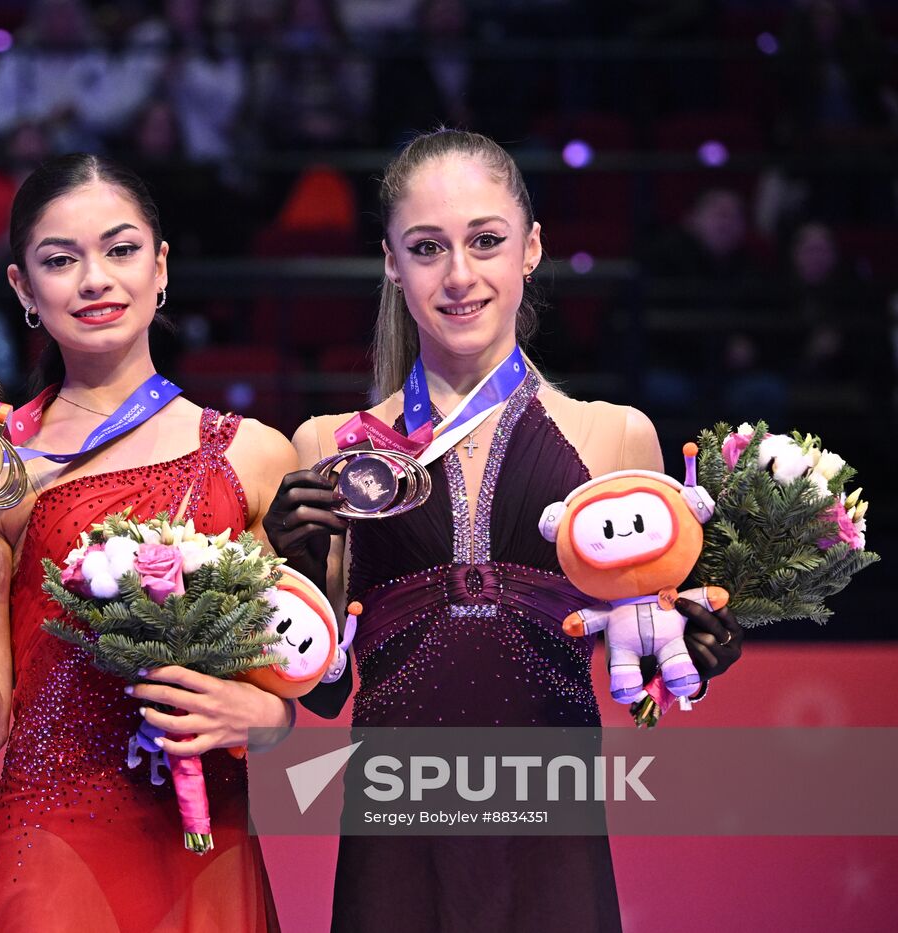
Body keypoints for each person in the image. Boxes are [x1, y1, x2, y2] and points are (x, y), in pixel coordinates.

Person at [263, 129, 745, 932]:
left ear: (531, 248)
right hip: (396, 834)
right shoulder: (329, 447)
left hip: (550, 832)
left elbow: (650, 668)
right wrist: (292, 562)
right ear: (391, 262)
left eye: (486, 241)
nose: (459, 275)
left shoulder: (617, 437)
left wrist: (697, 652)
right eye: (427, 247)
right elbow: (324, 690)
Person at [0, 153, 296, 932]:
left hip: (206, 845)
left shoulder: (255, 454)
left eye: (121, 249)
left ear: (161, 266)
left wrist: (262, 719)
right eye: (61, 261)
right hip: (53, 843)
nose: (95, 278)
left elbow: (286, 692)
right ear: (23, 289)